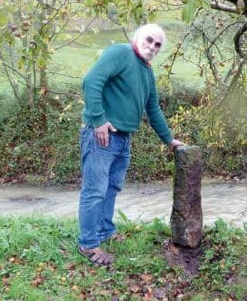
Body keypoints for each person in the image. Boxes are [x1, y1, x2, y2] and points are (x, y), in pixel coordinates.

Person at [77, 23, 184, 266]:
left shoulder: (146, 71)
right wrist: (98, 120)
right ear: (138, 37)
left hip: (123, 139)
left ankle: (105, 232)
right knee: (94, 191)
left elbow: (153, 108)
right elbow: (92, 81)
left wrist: (168, 139)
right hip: (101, 136)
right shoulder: (121, 53)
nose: (152, 47)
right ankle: (88, 244)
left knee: (112, 188)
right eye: (149, 40)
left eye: (158, 44)